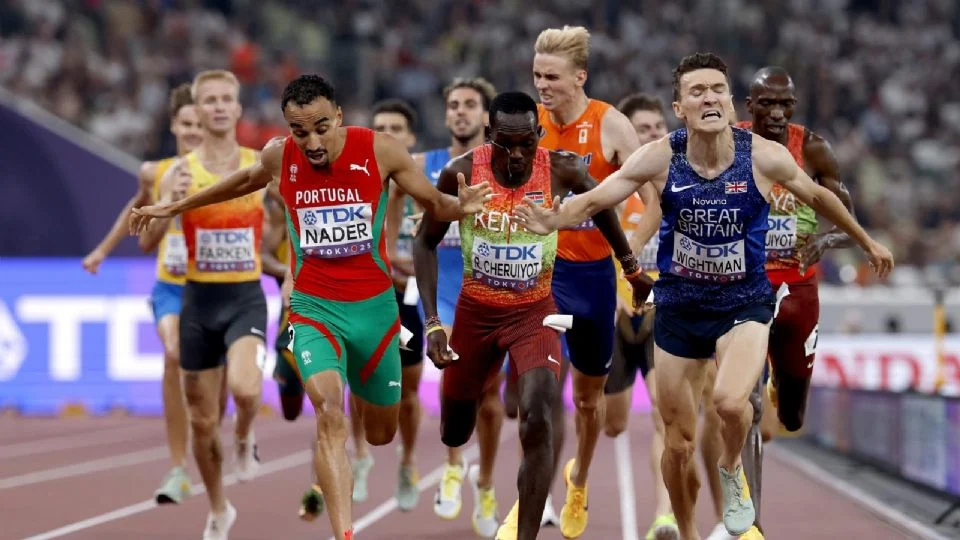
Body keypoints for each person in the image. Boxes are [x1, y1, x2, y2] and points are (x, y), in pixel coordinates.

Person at [514, 52, 893, 540]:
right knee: (677, 445)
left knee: (732, 404)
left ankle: (732, 468)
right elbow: (597, 197)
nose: (709, 97)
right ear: (680, 107)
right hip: (679, 307)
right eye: (697, 92)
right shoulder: (660, 157)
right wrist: (552, 219)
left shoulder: (762, 156)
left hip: (744, 304)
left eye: (717, 89)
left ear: (730, 102)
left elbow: (819, 198)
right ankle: (688, 530)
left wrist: (866, 241)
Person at [131, 74, 490, 540]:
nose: (313, 142)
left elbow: (434, 201)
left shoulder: (379, 150)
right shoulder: (281, 156)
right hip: (314, 308)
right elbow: (240, 181)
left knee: (381, 431)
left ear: (338, 116)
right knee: (328, 414)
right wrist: (174, 207)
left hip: (375, 312)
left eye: (322, 127)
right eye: (301, 132)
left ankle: (366, 412)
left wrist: (462, 207)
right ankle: (344, 533)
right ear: (288, 128)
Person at [413, 91, 649, 540]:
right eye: (506, 144)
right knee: (453, 432)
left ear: (539, 136)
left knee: (537, 413)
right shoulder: (461, 173)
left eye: (527, 143)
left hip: (534, 312)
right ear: (489, 135)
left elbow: (601, 210)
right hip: (476, 315)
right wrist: (432, 323)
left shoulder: (562, 168)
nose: (518, 155)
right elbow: (424, 242)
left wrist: (631, 269)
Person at [496, 25, 647, 539]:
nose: (542, 85)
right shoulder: (526, 125)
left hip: (596, 277)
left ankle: (578, 475)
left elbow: (655, 198)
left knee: (588, 402)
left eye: (552, 77)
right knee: (539, 393)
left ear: (579, 76)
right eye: (537, 75)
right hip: (542, 277)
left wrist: (635, 254)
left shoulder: (611, 126)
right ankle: (529, 502)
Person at [82, 83, 203, 504]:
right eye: (186, 124)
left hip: (215, 288)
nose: (193, 132)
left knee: (212, 383)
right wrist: (102, 250)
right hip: (170, 285)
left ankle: (235, 434)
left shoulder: (225, 171)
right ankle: (178, 468)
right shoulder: (155, 171)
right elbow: (134, 209)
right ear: (173, 125)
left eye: (200, 125)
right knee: (172, 358)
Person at [418, 78, 505, 538]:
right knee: (456, 375)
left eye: (470, 105)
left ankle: (486, 484)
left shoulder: (502, 169)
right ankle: (454, 465)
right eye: (453, 105)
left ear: (486, 116)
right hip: (446, 291)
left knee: (490, 397)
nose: (460, 112)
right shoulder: (427, 165)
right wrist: (392, 239)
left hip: (490, 291)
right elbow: (386, 194)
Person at [601, 93, 686, 540]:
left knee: (663, 417)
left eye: (658, 127)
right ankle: (579, 468)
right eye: (643, 129)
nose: (653, 135)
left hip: (661, 315)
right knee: (611, 424)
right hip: (615, 317)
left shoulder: (685, 186)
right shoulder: (612, 187)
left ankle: (663, 514)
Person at [344, 98, 423, 511]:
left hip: (408, 295)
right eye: (379, 127)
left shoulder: (423, 179)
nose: (387, 133)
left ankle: (407, 462)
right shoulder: (355, 178)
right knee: (357, 380)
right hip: (363, 292)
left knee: (407, 389)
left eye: (396, 127)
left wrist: (409, 262)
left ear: (411, 138)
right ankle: (359, 456)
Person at [260, 194, 327, 522]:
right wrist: (286, 273)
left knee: (325, 409)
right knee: (289, 411)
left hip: (329, 324)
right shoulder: (282, 206)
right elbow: (262, 255)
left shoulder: (342, 206)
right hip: (289, 331)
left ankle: (316, 488)